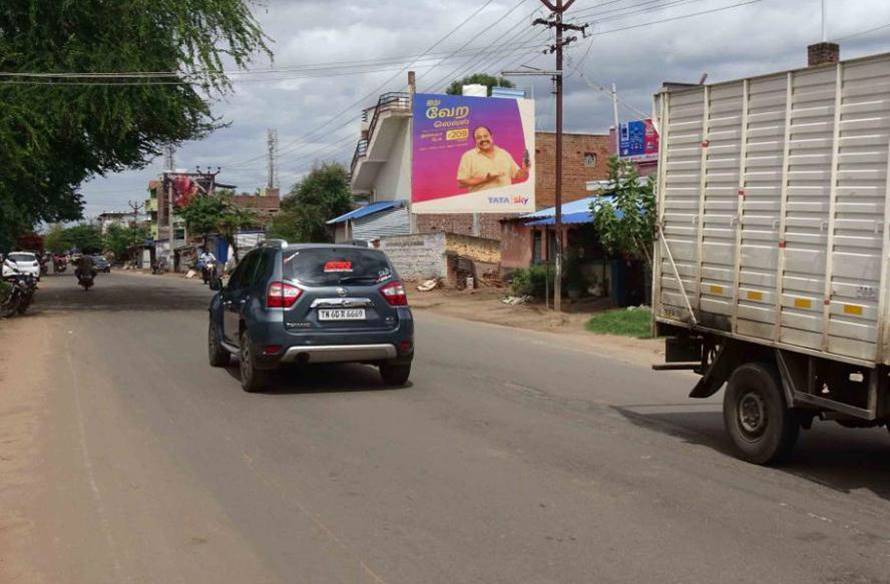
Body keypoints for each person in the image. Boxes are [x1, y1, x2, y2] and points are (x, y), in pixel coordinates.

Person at [456, 126, 530, 192]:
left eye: (485, 136)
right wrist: (485, 180)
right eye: (479, 137)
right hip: (481, 203)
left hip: (505, 201)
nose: (483, 139)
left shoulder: (504, 153)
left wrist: (524, 170)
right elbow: (461, 182)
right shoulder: (468, 156)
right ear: (475, 141)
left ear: (491, 136)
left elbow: (517, 175)